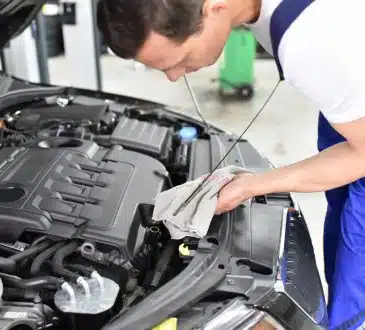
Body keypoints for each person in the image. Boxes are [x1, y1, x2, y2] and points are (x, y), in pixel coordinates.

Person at [96, 0, 365, 328]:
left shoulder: (314, 42)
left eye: (178, 61)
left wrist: (256, 184)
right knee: (342, 226)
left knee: (357, 279)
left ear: (215, 8)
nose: (173, 77)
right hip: (353, 106)